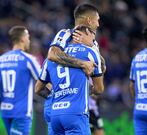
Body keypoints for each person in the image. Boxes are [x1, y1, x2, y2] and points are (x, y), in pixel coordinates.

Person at [47, 3, 106, 135]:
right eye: (97, 20)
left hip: (59, 109)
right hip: (75, 111)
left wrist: (92, 46)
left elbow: (101, 69)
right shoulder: (65, 34)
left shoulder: (93, 44)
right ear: (89, 20)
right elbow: (52, 55)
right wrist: (82, 63)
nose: (98, 24)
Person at [0, 26, 41, 135]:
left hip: (5, 111)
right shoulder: (28, 59)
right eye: (28, 37)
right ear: (22, 39)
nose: (29, 40)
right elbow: (42, 80)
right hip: (22, 112)